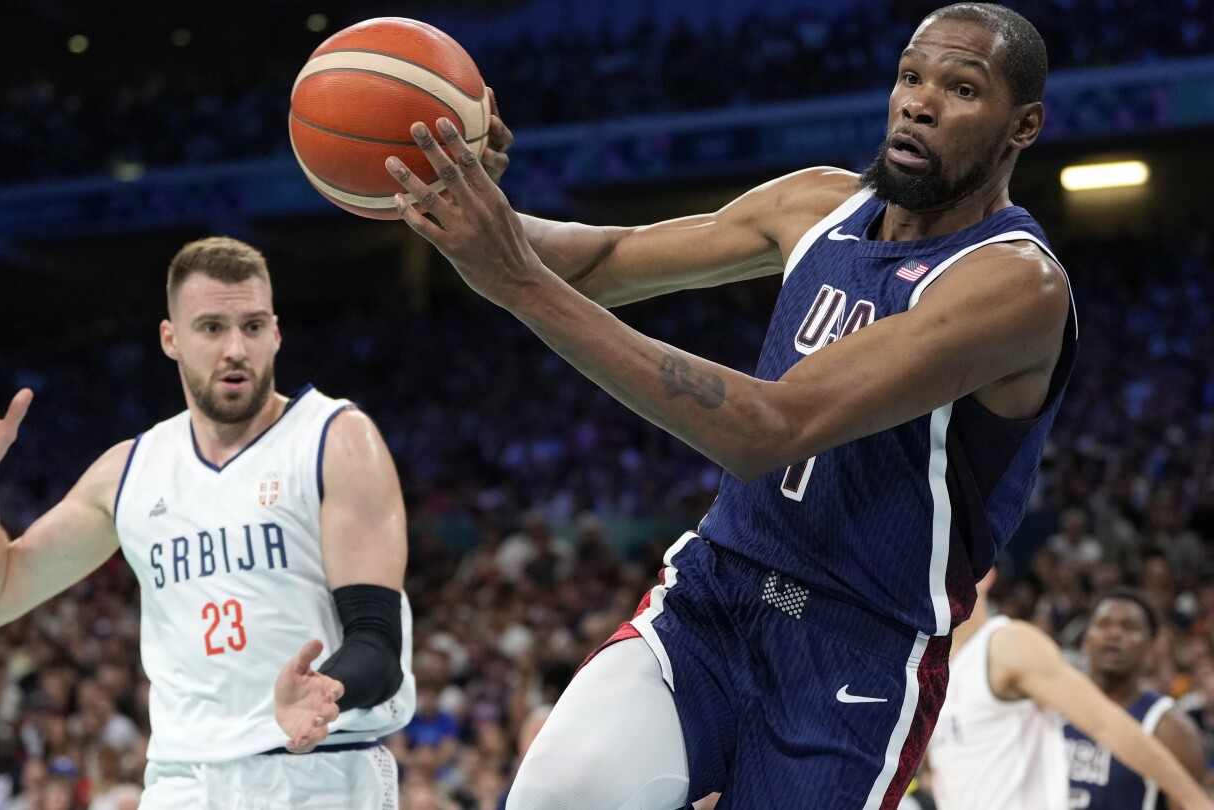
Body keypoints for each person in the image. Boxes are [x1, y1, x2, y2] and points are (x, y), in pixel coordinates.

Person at [387, 3, 1078, 807]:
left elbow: (766, 430)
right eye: (911, 77)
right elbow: (608, 257)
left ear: (1022, 126)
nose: (920, 102)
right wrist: (469, 201)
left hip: (857, 647)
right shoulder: (818, 203)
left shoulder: (1016, 285)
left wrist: (515, 281)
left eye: (963, 89)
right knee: (559, 791)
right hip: (717, 594)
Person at [0, 237, 414, 807]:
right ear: (170, 339)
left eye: (252, 327)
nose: (236, 348)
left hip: (315, 771)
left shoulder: (335, 439)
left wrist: (330, 688)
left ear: (276, 333)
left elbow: (377, 646)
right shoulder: (130, 472)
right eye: (211, 328)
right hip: (182, 782)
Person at [924, 572, 1211, 810]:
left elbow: (1105, 723)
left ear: (986, 575)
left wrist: (1197, 802)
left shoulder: (1007, 644)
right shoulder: (935, 667)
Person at [1066, 589, 1207, 809]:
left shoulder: (1172, 730)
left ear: (1150, 646)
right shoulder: (1053, 708)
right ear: (1087, 639)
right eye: (1103, 624)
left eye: (1128, 627)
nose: (1114, 634)